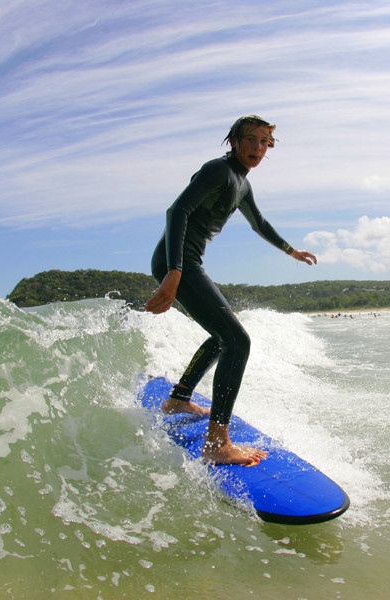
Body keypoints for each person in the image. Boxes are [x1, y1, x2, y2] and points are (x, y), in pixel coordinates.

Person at [145, 115, 317, 466]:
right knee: (238, 341)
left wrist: (291, 251)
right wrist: (175, 270)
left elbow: (259, 223)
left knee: (225, 333)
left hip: (186, 263)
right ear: (234, 142)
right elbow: (177, 210)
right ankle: (217, 442)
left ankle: (178, 398)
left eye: (264, 142)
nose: (257, 147)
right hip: (178, 262)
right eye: (250, 139)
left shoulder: (242, 184)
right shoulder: (218, 171)